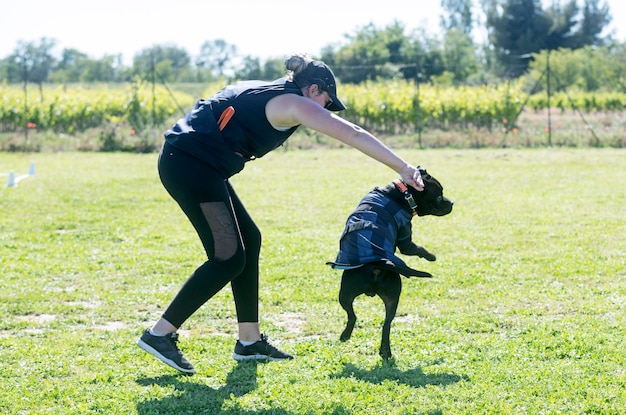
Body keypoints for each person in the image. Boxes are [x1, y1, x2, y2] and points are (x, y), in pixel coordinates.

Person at [137, 52, 425, 374]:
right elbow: (353, 133)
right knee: (228, 257)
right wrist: (403, 167)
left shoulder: (274, 92)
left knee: (250, 239)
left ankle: (249, 342)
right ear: (313, 89)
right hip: (190, 165)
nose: (325, 111)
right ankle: (160, 334)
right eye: (327, 102)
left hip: (195, 164)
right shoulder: (295, 103)